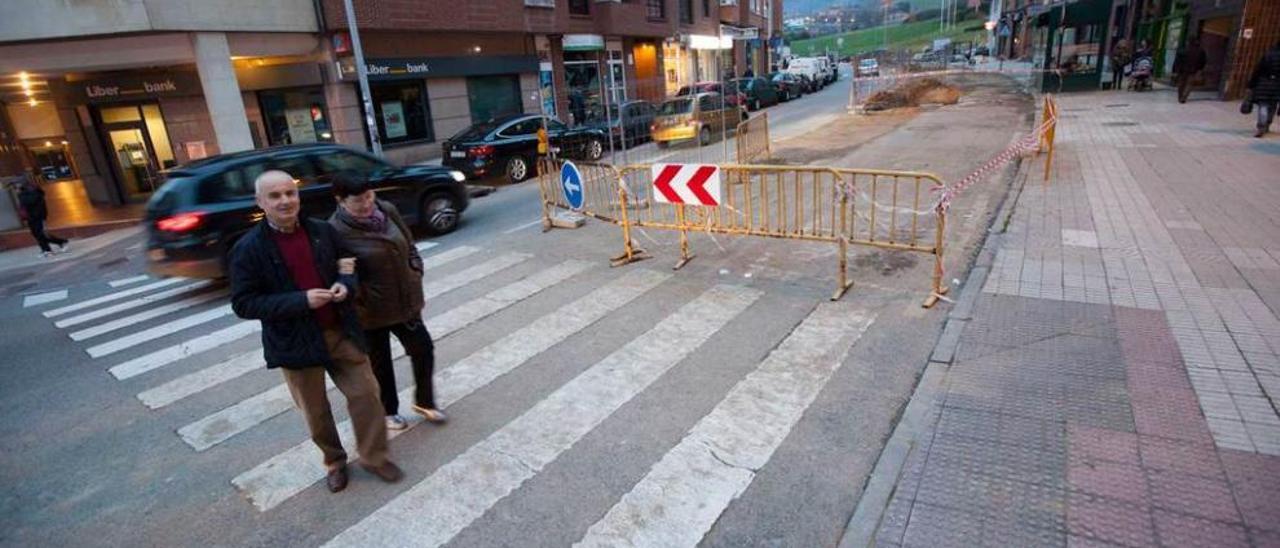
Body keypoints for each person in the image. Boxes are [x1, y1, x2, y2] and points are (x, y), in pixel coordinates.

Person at [229, 169, 401, 493]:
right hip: (296, 343)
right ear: (260, 202)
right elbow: (244, 303)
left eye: (290, 193)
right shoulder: (248, 248)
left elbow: (347, 261)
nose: (285, 201)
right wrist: (300, 301)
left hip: (340, 331)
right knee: (316, 411)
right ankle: (335, 462)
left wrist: (345, 284)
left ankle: (374, 456)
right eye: (275, 196)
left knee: (366, 394)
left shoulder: (321, 231)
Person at [328, 176, 447, 432]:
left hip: (405, 300)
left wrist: (415, 268)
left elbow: (409, 243)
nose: (367, 203)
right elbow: (340, 272)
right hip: (370, 310)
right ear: (341, 201)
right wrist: (361, 296)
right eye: (358, 200)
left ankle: (425, 402)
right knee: (380, 363)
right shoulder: (336, 230)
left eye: (369, 196)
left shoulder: (386, 209)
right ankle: (388, 411)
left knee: (423, 349)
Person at [16, 168, 69, 258]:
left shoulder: (32, 189)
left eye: (18, 182)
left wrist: (20, 195)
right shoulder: (24, 191)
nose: (16, 184)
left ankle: (59, 243)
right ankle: (46, 249)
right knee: (35, 233)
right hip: (30, 216)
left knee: (41, 233)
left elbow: (30, 201)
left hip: (38, 215)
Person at [1247, 40, 1280, 138]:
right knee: (1273, 105)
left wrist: (1251, 84)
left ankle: (1261, 125)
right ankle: (1267, 124)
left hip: (1264, 82)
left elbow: (1258, 70)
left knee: (1263, 105)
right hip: (1277, 84)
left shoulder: (1268, 55)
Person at [1173, 36, 1207, 103]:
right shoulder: (1200, 51)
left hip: (1182, 70)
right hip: (1193, 70)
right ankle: (1184, 97)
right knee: (1189, 84)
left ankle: (1180, 96)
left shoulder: (1183, 50)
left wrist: (1175, 69)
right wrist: (1200, 69)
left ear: (1188, 42)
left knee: (1181, 83)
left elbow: (1177, 60)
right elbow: (1203, 61)